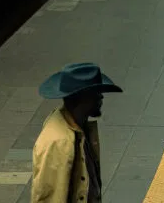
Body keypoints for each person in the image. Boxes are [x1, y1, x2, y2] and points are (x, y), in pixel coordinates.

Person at [31, 63, 123, 202]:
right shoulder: (59, 142)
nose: (101, 97)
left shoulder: (78, 126)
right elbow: (51, 197)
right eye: (96, 93)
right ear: (82, 98)